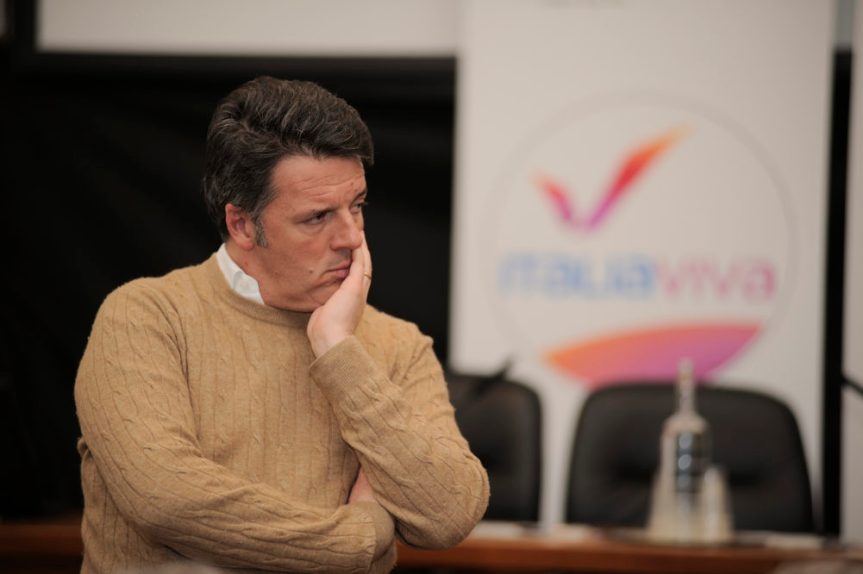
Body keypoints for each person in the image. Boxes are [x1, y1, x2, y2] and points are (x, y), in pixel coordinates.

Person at [74, 77, 489, 574]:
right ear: (242, 224)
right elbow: (165, 500)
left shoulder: (397, 343)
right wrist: (362, 537)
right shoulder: (147, 317)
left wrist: (338, 350)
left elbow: (449, 516)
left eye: (357, 206)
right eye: (317, 217)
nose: (352, 237)